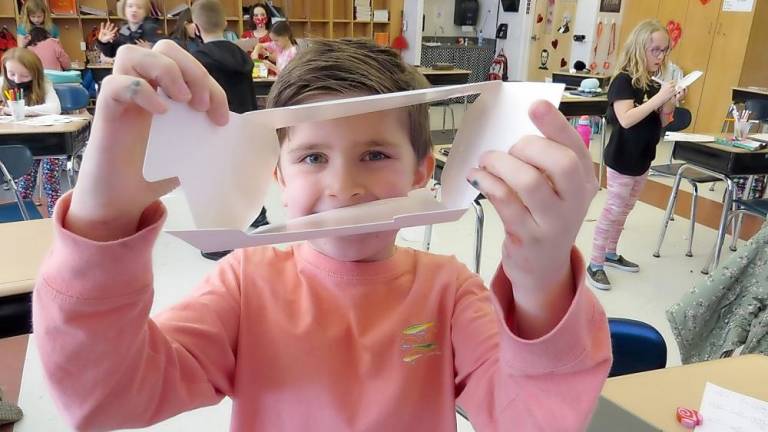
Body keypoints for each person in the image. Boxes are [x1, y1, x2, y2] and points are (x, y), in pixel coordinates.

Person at [32, 39, 610, 431]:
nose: (344, 187)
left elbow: (536, 416)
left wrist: (541, 278)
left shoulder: (449, 292)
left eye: (375, 153)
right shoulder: (244, 285)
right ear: (279, 176)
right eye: (312, 156)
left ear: (421, 171)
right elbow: (103, 394)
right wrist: (102, 224)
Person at [587, 19, 685, 290]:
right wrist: (657, 99)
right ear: (640, 48)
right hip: (622, 159)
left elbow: (663, 122)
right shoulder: (624, 81)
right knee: (613, 209)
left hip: (643, 158)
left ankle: (610, 252)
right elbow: (627, 119)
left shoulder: (654, 84)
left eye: (665, 50)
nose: (661, 56)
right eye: (655, 50)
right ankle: (595, 263)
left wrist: (670, 101)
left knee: (626, 209)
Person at [1, 48, 62, 215]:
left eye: (24, 76)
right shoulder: (2, 84)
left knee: (51, 182)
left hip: (49, 142)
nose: (17, 80)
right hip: (21, 144)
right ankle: (22, 219)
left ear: (35, 74)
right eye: (11, 74)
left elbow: (55, 108)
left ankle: (54, 219)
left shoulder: (44, 84)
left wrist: (23, 110)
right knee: (24, 183)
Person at [95, 0, 165, 58]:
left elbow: (166, 48)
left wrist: (152, 48)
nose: (134, 10)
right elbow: (111, 53)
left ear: (145, 12)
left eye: (139, 7)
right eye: (130, 6)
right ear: (124, 10)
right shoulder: (124, 30)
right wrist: (103, 42)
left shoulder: (151, 28)